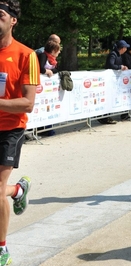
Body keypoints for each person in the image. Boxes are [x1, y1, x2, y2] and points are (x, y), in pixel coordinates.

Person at [0, 1, 41, 264]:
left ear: (13, 20)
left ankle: (1, 249)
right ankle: (17, 190)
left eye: (0, 14)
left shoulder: (27, 55)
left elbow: (28, 103)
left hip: (11, 129)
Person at [100, 40, 129, 124]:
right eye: (125, 47)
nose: (126, 49)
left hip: (115, 80)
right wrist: (120, 67)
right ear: (123, 48)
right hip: (109, 80)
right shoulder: (113, 54)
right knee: (108, 97)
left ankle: (106, 116)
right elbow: (110, 65)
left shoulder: (119, 55)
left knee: (112, 98)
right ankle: (103, 116)